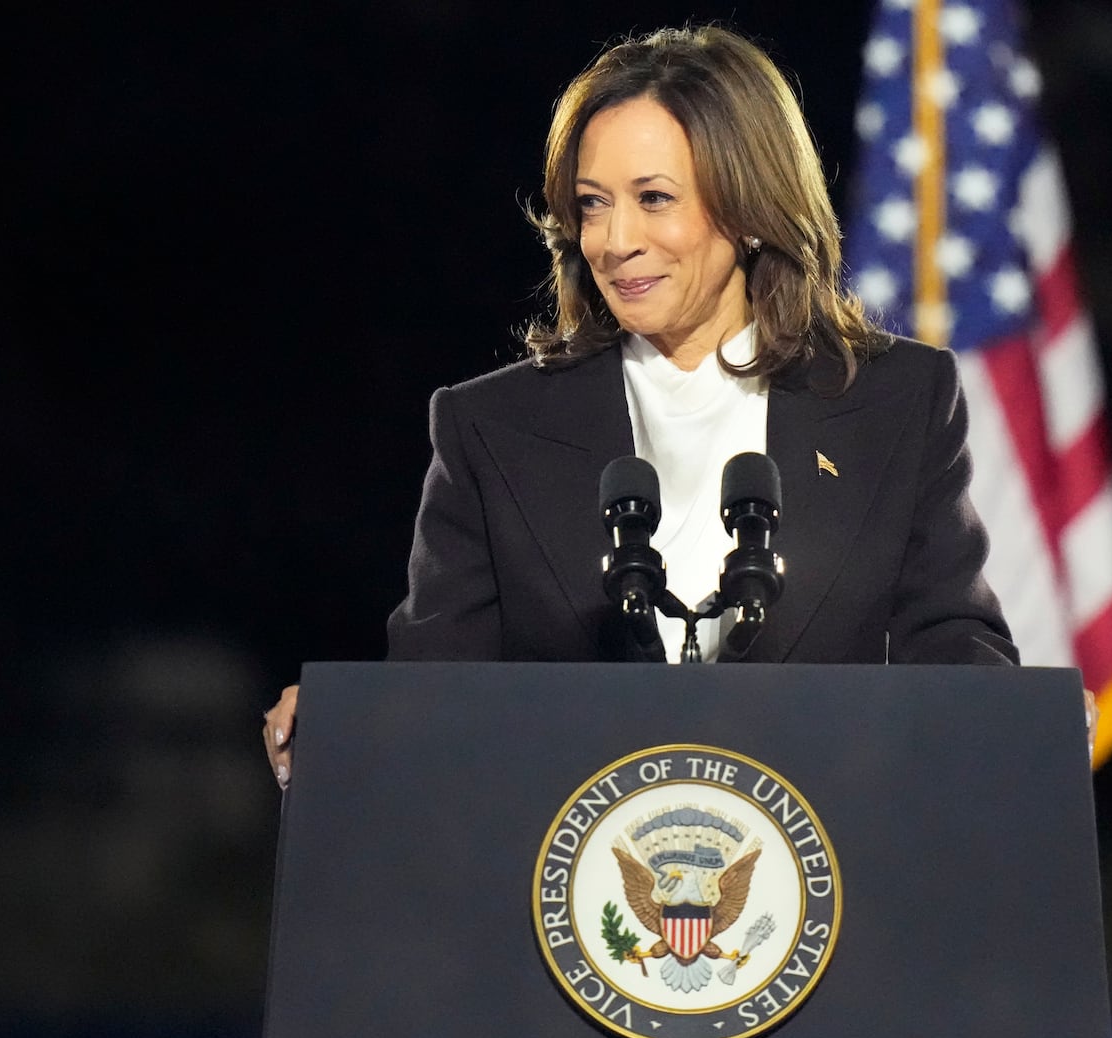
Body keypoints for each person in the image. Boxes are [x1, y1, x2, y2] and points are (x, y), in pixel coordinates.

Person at [264, 24, 1055, 788]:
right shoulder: (489, 428)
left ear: (747, 208)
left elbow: (954, 649)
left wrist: (1028, 720)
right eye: (594, 203)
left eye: (653, 198)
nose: (614, 241)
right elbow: (432, 696)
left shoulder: (896, 404)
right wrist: (345, 725)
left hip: (835, 886)